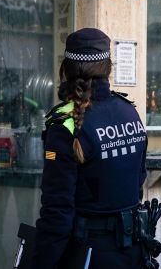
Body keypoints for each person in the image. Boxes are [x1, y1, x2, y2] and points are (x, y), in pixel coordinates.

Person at [32, 28, 148, 268]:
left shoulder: (65, 124)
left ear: (66, 70)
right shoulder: (129, 111)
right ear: (108, 67)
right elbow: (137, 185)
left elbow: (57, 215)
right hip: (132, 252)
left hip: (88, 255)